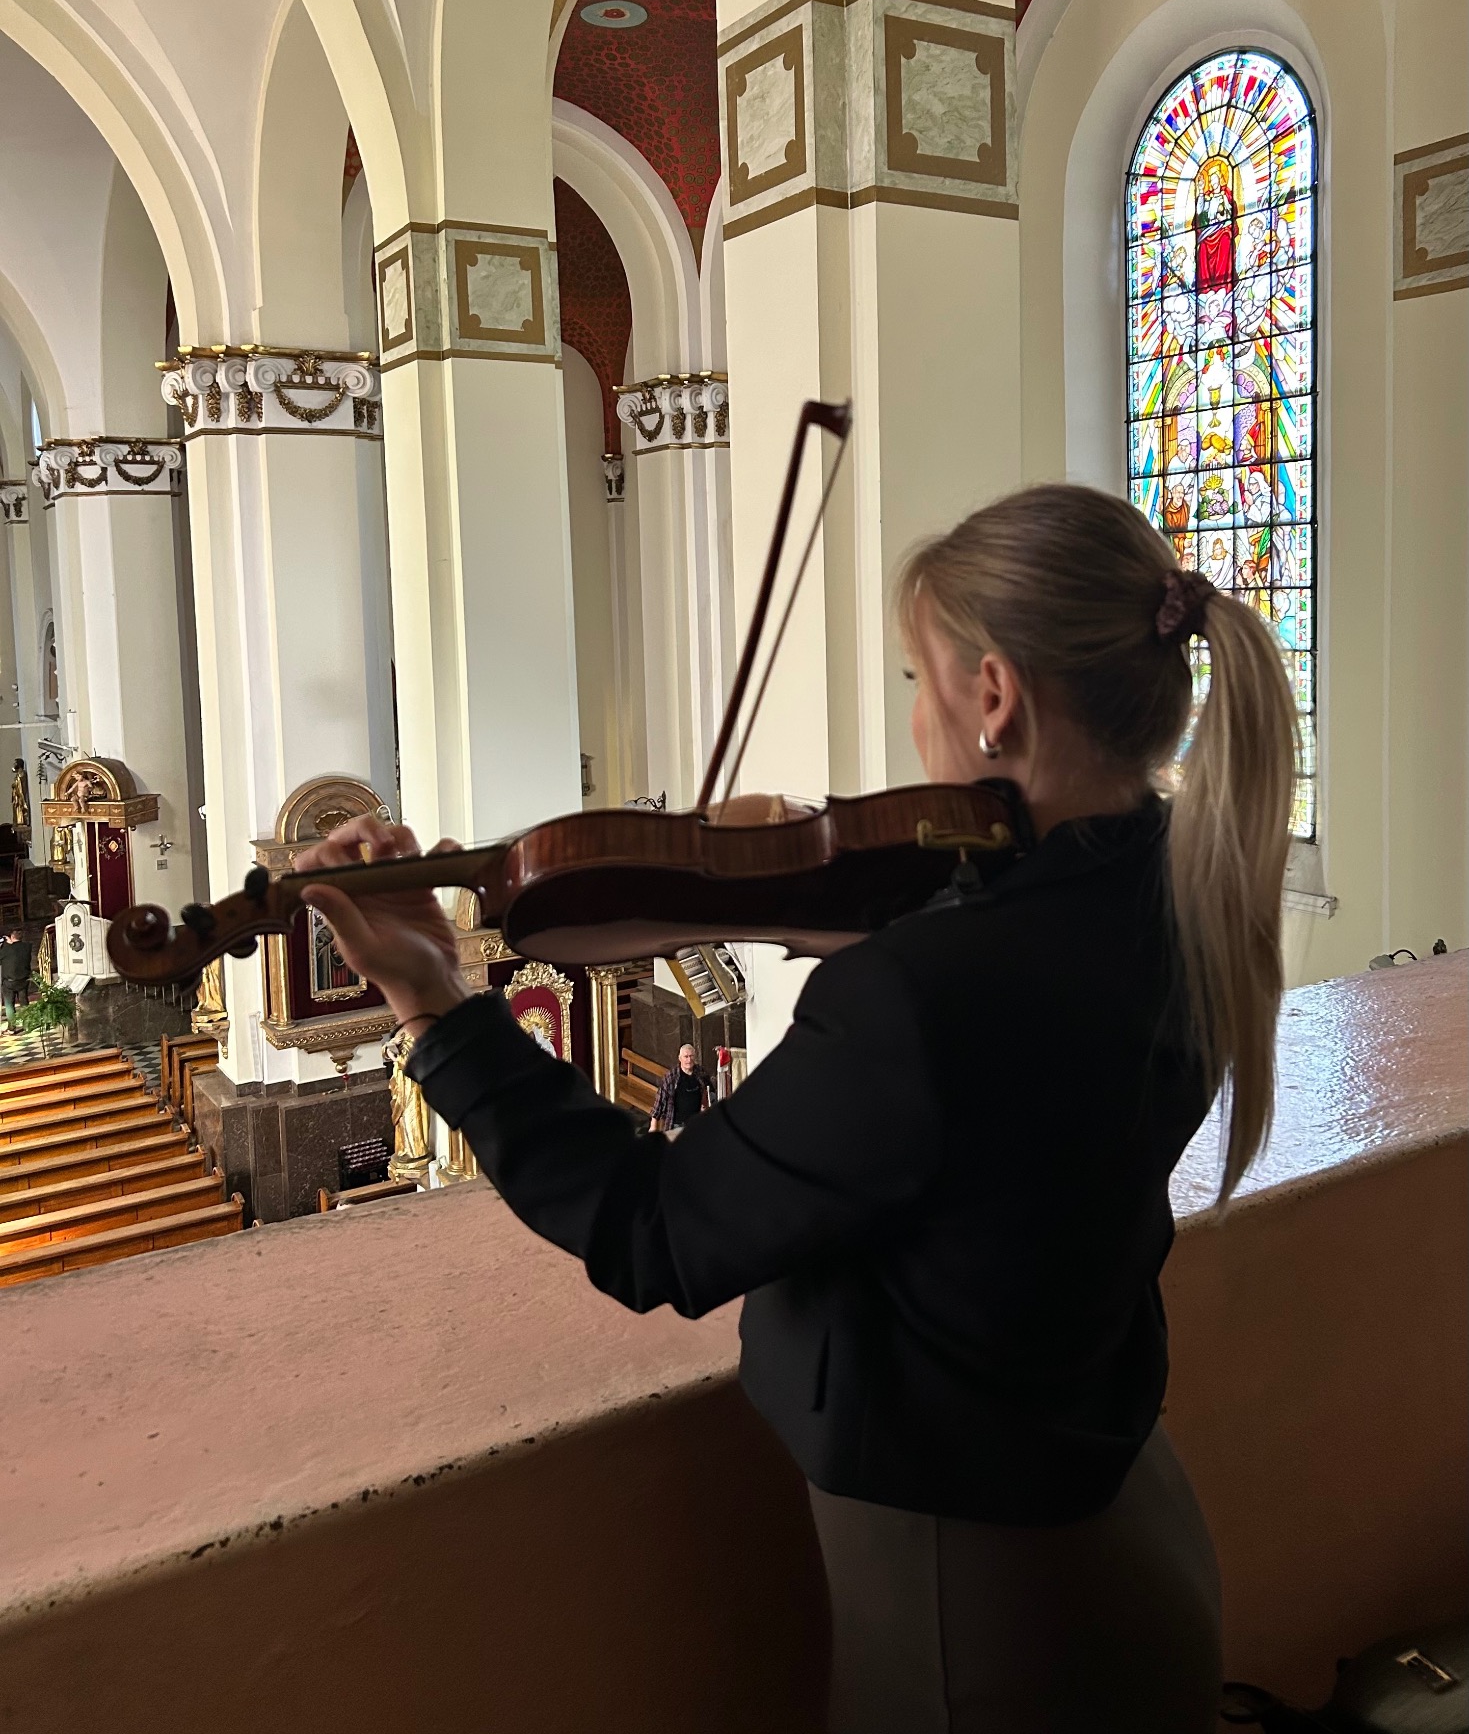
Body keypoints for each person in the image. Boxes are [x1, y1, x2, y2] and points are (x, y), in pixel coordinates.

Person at [297, 483, 1296, 1734]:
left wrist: (438, 1005)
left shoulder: (919, 996)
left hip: (971, 1604)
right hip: (1118, 1512)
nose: (916, 716)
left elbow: (653, 1227)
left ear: (993, 696)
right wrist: (786, 894)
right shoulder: (1184, 879)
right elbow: (1006, 1025)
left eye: (915, 681)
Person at [648, 1042, 711, 1134]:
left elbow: (710, 1091)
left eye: (691, 1056)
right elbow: (659, 1102)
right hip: (677, 1124)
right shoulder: (671, 1077)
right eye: (686, 1057)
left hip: (697, 1122)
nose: (689, 1060)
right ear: (680, 1058)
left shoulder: (701, 1073)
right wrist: (653, 1127)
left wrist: (706, 1105)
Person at [1, 928, 33, 1027]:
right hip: (23, 980)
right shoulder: (27, 947)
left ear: (12, 937)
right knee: (24, 1002)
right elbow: (17, 950)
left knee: (9, 1004)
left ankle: (12, 1027)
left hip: (9, 982)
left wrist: (6, 944)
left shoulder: (6, 949)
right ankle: (27, 1025)